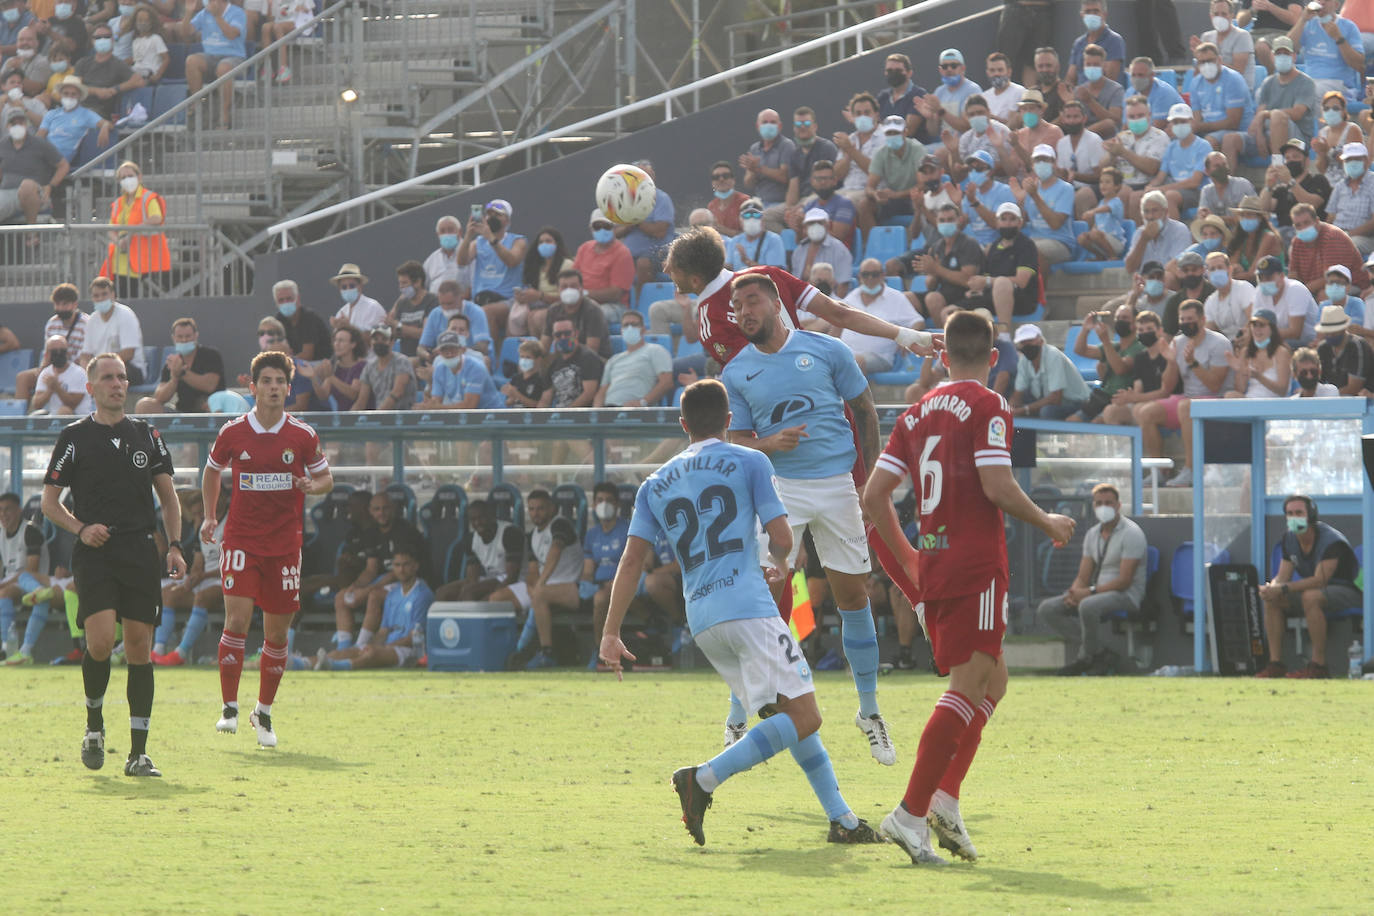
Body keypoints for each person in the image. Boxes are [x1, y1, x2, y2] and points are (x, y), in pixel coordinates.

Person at [600, 378, 882, 847]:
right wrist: (780, 564)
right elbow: (783, 535)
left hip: (704, 618)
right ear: (730, 421)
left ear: (683, 424)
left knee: (787, 713)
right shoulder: (751, 458)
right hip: (748, 607)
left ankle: (843, 821)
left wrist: (611, 632)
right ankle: (703, 779)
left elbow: (631, 562)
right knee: (807, 716)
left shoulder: (654, 482)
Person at [862, 309, 1076, 866]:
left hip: (934, 564)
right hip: (975, 564)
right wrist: (1049, 522)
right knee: (968, 685)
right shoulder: (989, 404)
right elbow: (997, 485)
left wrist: (910, 558)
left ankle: (945, 799)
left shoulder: (914, 413)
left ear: (941, 356)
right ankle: (910, 813)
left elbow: (873, 497)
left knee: (992, 682)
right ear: (994, 358)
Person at [720, 272, 897, 766]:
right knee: (763, 598)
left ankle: (869, 711)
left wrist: (871, 484)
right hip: (781, 491)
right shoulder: (736, 372)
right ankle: (738, 711)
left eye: (753, 300)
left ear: (778, 303)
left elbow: (866, 411)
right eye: (738, 307)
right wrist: (768, 444)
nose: (745, 312)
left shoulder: (826, 350)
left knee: (852, 596)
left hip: (839, 485)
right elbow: (734, 442)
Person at [42, 351, 185, 776]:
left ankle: (139, 753)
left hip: (141, 549)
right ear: (91, 388)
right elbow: (51, 503)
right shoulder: (73, 437)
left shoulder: (147, 434)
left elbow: (169, 497)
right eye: (107, 378)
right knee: (101, 641)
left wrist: (175, 545)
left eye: (122, 377)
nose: (117, 384)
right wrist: (82, 528)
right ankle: (94, 727)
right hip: (97, 552)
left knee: (140, 646)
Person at [201, 351, 332, 747]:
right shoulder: (233, 432)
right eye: (268, 381)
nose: (274, 387)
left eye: (281, 382)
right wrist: (210, 517)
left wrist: (313, 486)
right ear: (253, 386)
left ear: (288, 390)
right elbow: (211, 470)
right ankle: (229, 708)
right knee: (237, 621)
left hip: (284, 545)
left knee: (276, 634)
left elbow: (326, 478)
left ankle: (264, 712)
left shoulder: (302, 435)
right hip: (241, 539)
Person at [1037, 483, 1148, 674]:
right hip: (1096, 592)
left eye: (1108, 503)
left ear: (1118, 505)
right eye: (1099, 503)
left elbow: (1124, 580)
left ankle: (1086, 658)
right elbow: (1083, 575)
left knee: (1088, 605)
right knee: (1048, 608)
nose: (1104, 507)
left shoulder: (1132, 533)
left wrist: (1088, 593)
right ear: (1094, 506)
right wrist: (1074, 593)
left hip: (1126, 595)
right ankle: (1100, 653)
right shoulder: (1092, 534)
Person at [1255, 495, 1361, 678]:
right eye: (1289, 513)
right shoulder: (1289, 538)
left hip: (1348, 591)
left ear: (1311, 515)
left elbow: (1320, 580)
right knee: (1273, 599)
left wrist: (1284, 588)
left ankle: (1318, 665)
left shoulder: (1331, 540)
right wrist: (1272, 587)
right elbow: (1283, 575)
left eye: (1299, 513)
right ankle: (1275, 664)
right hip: (1315, 591)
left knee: (1311, 596)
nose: (1294, 517)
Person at [1135, 299, 1234, 486]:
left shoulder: (1220, 343)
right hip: (1188, 399)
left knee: (1185, 407)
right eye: (1182, 319)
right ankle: (1159, 471)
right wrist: (1171, 362)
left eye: (1190, 319)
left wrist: (1193, 363)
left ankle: (1191, 470)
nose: (1185, 323)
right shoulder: (1178, 343)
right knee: (1146, 412)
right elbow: (1169, 386)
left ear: (1203, 320)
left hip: (1217, 399)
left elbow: (1214, 385)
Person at [493, 488, 583, 670]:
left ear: (551, 508)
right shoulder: (532, 535)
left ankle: (545, 653)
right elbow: (533, 571)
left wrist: (539, 586)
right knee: (496, 599)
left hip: (572, 588)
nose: (536, 513)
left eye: (541, 508)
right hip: (545, 589)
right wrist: (532, 586)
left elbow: (555, 550)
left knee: (540, 595)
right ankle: (504, 649)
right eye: (532, 509)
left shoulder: (560, 524)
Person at [330, 492, 422, 651]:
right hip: (383, 581)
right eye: (377, 509)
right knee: (341, 597)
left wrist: (366, 590)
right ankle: (343, 647)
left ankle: (360, 647)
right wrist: (355, 586)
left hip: (407, 583)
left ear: (393, 509)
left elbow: (400, 571)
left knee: (374, 595)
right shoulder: (371, 533)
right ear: (370, 511)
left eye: (385, 508)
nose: (381, 513)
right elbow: (371, 569)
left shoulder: (405, 531)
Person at [314, 548, 431, 671]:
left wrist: (382, 647)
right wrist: (370, 645)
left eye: (406, 565)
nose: (401, 569)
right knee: (350, 652)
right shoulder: (393, 594)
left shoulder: (422, 594)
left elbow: (414, 638)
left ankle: (336, 666)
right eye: (397, 565)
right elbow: (383, 631)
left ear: (415, 566)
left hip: (409, 652)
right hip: (388, 648)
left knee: (372, 653)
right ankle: (300, 663)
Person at [963, 201, 1041, 335]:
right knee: (952, 310)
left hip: (1022, 300)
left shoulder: (1027, 245)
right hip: (993, 297)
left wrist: (987, 282)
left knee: (1001, 283)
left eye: (1012, 219)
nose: (1007, 223)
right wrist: (977, 288)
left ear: (1020, 223)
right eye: (1003, 219)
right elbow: (986, 277)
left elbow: (1021, 282)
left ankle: (1005, 335)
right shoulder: (993, 247)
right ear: (997, 222)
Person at [458, 198, 526, 341]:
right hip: (481, 299)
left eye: (497, 215)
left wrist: (491, 239)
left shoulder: (518, 241)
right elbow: (462, 261)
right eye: (489, 214)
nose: (491, 218)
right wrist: (468, 236)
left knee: (486, 313)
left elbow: (512, 261)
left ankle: (493, 360)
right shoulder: (478, 243)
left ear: (507, 221)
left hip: (508, 299)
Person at [840, 257, 923, 373]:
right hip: (847, 355)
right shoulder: (851, 298)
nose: (870, 278)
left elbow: (917, 321)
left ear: (883, 275)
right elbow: (837, 323)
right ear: (859, 276)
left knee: (854, 362)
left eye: (875, 274)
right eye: (865, 274)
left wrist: (908, 338)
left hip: (879, 357)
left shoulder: (896, 298)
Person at [433, 499, 524, 602]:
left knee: (470, 593)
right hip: (491, 578)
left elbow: (512, 577)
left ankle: (467, 617)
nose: (477, 523)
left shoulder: (510, 533)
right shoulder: (471, 540)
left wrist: (489, 595)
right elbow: (472, 578)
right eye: (473, 519)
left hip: (518, 582)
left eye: (481, 518)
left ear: (492, 516)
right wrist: (463, 593)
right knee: (442, 592)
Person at [1189, 41, 1257, 170]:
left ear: (1219, 60)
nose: (1206, 65)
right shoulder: (1195, 83)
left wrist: (1199, 127)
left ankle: (1225, 184)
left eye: (1210, 60)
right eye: (1202, 62)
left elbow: (1233, 123)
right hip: (1211, 131)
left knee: (1214, 140)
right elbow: (1197, 119)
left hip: (1241, 132)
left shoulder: (1233, 79)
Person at [134, 316, 223, 414]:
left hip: (210, 411)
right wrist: (174, 378)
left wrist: (182, 373)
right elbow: (159, 397)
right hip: (182, 412)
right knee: (144, 405)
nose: (184, 340)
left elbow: (210, 385)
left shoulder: (211, 355)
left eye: (188, 336)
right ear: (174, 338)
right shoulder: (172, 362)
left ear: (196, 336)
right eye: (180, 337)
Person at [1072, 305, 1144, 421]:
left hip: (1119, 400)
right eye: (1118, 318)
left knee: (1097, 423)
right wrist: (1085, 329)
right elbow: (1080, 350)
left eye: (1125, 318)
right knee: (1072, 421)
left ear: (1135, 323)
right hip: (1102, 399)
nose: (1120, 321)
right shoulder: (1114, 346)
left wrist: (1105, 341)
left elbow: (1120, 369)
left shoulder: (1139, 347)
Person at [16, 282, 85, 403]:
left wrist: (61, 371)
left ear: (75, 304)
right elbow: (47, 354)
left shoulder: (86, 324)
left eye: (65, 304)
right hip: (53, 367)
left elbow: (82, 359)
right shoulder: (51, 324)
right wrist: (43, 371)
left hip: (75, 370)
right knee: (23, 378)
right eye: (57, 304)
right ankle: (19, 419)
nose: (61, 308)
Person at [1015, 143, 1076, 278]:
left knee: (1030, 249)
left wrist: (1035, 196)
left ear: (1054, 163)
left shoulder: (1065, 189)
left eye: (1045, 160)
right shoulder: (1030, 187)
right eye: (1037, 160)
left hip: (1061, 242)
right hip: (1035, 239)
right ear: (1032, 164)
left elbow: (1055, 224)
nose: (1041, 163)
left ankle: (1039, 295)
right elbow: (1021, 223)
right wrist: (1019, 201)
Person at [1249, 37, 1318, 156]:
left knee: (1277, 116)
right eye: (1278, 53)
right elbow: (1259, 115)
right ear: (1272, 56)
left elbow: (1297, 113)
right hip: (1268, 133)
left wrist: (1266, 114)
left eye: (1286, 53)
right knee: (1231, 139)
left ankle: (1277, 165)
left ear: (1294, 56)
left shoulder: (1306, 83)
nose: (1282, 57)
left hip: (1298, 139)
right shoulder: (1268, 82)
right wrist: (1259, 135)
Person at [614, 158, 676, 291]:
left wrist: (636, 221)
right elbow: (615, 232)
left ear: (653, 176)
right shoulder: (624, 200)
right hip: (629, 254)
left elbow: (660, 232)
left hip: (660, 251)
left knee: (643, 263)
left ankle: (638, 302)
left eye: (647, 175)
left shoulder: (662, 199)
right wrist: (629, 225)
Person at [182, 0, 246, 126]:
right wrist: (188, 12)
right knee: (192, 61)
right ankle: (197, 104)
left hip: (234, 57)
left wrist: (217, 16)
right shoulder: (204, 13)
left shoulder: (237, 12)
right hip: (210, 57)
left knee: (223, 68)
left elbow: (232, 35)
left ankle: (224, 115)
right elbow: (185, 33)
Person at [1287, 203, 1370, 300]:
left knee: (1324, 296)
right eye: (1298, 225)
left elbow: (1331, 278)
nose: (1303, 228)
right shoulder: (1297, 241)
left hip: (1350, 285)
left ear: (1317, 221)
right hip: (1314, 287)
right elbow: (1293, 274)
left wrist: (1301, 291)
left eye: (1306, 223)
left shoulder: (1332, 237)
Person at [858, 115, 925, 233]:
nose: (892, 136)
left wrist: (897, 195)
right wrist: (875, 194)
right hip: (893, 199)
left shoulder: (917, 149)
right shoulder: (881, 153)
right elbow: (869, 187)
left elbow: (922, 185)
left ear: (905, 132)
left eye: (896, 132)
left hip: (915, 198)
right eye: (889, 133)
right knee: (865, 205)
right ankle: (872, 245)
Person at [1009, 324, 1091, 419]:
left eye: (1030, 341)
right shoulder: (1024, 360)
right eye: (1023, 342)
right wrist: (1011, 408)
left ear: (1041, 341)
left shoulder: (1053, 355)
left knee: (1047, 411)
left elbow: (1056, 398)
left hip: (1077, 403)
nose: (1027, 345)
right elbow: (1018, 393)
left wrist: (1024, 409)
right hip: (1050, 400)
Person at [1287, 0, 1363, 100]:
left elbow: (1358, 64)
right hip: (1311, 81)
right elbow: (1288, 47)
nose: (1321, 3)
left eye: (1326, 0)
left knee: (1310, 92)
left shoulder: (1349, 27)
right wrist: (1302, 20)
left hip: (1339, 83)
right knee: (1285, 92)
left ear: (1336, 5)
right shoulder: (1309, 24)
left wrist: (1339, 38)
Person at [593, 311, 671, 407]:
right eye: (626, 325)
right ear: (621, 331)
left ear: (643, 329)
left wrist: (643, 402)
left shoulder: (655, 350)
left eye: (634, 324)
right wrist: (596, 414)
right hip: (610, 410)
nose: (629, 328)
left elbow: (666, 382)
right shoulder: (613, 360)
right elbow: (602, 392)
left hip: (637, 412)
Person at [0, 106, 64, 223]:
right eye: (13, 123)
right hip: (6, 192)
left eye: (20, 122)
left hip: (34, 192)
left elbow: (63, 166)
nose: (17, 126)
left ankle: (31, 234)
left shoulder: (40, 143)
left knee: (27, 186)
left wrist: (50, 186)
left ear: (26, 124)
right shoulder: (2, 145)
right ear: (7, 126)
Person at [80, 276, 146, 386]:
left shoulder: (126, 315)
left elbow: (128, 353)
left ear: (113, 295)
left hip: (130, 369)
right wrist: (86, 372)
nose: (100, 298)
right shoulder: (92, 320)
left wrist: (100, 368)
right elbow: (85, 356)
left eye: (104, 294)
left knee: (105, 378)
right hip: (101, 369)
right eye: (96, 295)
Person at [510, 225, 571, 339]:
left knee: (538, 317)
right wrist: (524, 297)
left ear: (557, 244)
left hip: (561, 307)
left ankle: (545, 350)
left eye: (548, 241)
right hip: (537, 307)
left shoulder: (567, 265)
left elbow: (568, 298)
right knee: (523, 316)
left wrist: (540, 296)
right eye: (541, 242)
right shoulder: (537, 267)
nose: (544, 245)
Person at [73, 20, 142, 121]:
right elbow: (74, 87)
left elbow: (139, 81)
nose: (102, 40)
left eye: (106, 37)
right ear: (92, 41)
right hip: (77, 108)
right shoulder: (82, 63)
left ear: (112, 40)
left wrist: (115, 89)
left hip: (99, 113)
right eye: (98, 37)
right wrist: (96, 91)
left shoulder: (118, 64)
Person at [739, 108, 794, 230]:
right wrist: (752, 170)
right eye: (765, 122)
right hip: (760, 202)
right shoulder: (754, 149)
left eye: (773, 122)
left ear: (780, 126)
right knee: (744, 217)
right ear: (758, 126)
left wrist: (759, 168)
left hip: (781, 202)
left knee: (764, 218)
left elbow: (784, 177)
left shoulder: (786, 145)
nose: (768, 125)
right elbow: (748, 183)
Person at [572, 208, 635, 313]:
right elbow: (573, 278)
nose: (602, 230)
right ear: (591, 229)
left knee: (590, 314)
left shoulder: (622, 253)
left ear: (614, 228)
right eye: (597, 227)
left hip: (614, 306)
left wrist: (584, 294)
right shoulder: (584, 248)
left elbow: (616, 294)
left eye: (607, 226)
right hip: (582, 303)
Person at [421, 329, 502, 410]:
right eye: (445, 350)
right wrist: (428, 406)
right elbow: (436, 402)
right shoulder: (439, 369)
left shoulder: (476, 368)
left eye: (453, 349)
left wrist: (436, 407)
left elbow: (469, 406)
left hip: (492, 415)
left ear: (461, 349)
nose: (449, 354)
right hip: (466, 417)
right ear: (439, 352)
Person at [785, 159, 856, 248]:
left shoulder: (844, 204)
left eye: (826, 178)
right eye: (818, 179)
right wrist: (798, 228)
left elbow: (838, 238)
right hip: (811, 253)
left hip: (835, 255)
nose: (822, 182)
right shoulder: (810, 205)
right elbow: (800, 242)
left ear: (834, 180)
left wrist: (809, 223)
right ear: (812, 181)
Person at [1253, 253, 1320, 346]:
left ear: (1281, 276)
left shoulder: (1295, 289)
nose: (1264, 282)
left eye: (1268, 277)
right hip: (1276, 339)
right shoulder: (1259, 291)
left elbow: (1295, 333)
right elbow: (1256, 324)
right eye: (1260, 278)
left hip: (1307, 343)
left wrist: (1262, 334)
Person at [37, 75, 108, 162]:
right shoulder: (51, 114)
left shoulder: (86, 114)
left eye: (73, 94)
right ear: (61, 94)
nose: (69, 96)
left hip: (62, 159)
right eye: (66, 93)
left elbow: (106, 123)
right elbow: (39, 138)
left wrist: (105, 127)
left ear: (79, 96)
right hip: (44, 156)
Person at [1055, 101, 1108, 218]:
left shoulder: (1094, 140)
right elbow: (1062, 174)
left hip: (1093, 188)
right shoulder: (1061, 143)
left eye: (1075, 117)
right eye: (1068, 117)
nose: (1072, 121)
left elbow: (1099, 176)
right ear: (1063, 119)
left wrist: (1076, 176)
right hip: (1070, 187)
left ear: (1084, 119)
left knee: (1082, 196)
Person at [541, 268, 609, 358]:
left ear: (581, 288)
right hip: (565, 359)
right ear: (558, 290)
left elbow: (591, 351)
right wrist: (533, 349)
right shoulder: (553, 310)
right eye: (564, 287)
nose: (569, 290)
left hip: (594, 360)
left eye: (573, 286)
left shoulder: (592, 310)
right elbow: (544, 346)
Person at [915, 48, 982, 139]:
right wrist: (930, 118)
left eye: (953, 66)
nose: (949, 69)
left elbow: (968, 128)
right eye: (945, 66)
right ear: (940, 70)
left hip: (966, 143)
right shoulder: (939, 91)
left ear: (963, 68)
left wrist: (940, 111)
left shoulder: (973, 90)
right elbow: (933, 132)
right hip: (943, 144)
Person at [1225, 307, 1293, 396]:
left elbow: (1282, 391)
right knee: (1230, 395)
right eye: (1254, 325)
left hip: (1275, 405)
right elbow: (1240, 389)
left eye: (1262, 325)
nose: (1257, 329)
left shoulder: (1281, 352)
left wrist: (1259, 377)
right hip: (1251, 402)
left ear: (1272, 329)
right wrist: (1240, 371)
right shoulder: (1246, 352)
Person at [1124, 190, 1193, 277]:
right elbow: (1129, 269)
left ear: (1166, 212)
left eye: (1155, 211)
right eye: (1146, 212)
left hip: (1172, 284)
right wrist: (1143, 240)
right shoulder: (1140, 233)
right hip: (1145, 283)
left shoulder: (1179, 230)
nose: (1150, 216)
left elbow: (1178, 268)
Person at [418, 279, 490, 360]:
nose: (446, 308)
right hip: (443, 359)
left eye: (450, 303)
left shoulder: (476, 312)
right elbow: (421, 347)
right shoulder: (435, 313)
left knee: (485, 360)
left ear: (461, 298)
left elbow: (483, 347)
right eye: (442, 304)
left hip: (470, 358)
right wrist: (428, 355)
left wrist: (453, 352)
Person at [948, 94, 1014, 180]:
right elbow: (958, 179)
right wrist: (954, 152)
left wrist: (969, 168)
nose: (976, 117)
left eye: (980, 112)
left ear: (989, 112)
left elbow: (1008, 170)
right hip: (975, 188)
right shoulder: (965, 138)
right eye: (972, 114)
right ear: (967, 117)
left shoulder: (1002, 131)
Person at [833, 92, 883, 205]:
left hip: (869, 191)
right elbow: (837, 176)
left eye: (867, 112)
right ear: (853, 117)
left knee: (844, 203)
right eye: (858, 113)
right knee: (813, 203)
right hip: (846, 189)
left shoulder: (884, 137)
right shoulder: (850, 139)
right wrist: (847, 157)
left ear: (876, 114)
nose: (862, 117)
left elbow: (876, 172)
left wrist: (851, 150)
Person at [540, 317, 602, 409]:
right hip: (559, 417)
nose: (563, 337)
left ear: (576, 333)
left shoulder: (588, 357)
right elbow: (546, 398)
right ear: (553, 337)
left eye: (567, 333)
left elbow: (589, 393)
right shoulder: (554, 363)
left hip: (580, 417)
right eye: (558, 335)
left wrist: (567, 412)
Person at [959, 149, 1016, 247]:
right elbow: (960, 225)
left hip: (998, 244)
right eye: (970, 169)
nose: (973, 172)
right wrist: (957, 203)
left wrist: (974, 202)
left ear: (990, 172)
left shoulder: (1004, 191)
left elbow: (996, 224)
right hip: (974, 244)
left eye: (978, 169)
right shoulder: (970, 193)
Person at [1325, 143, 1374, 255]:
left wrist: (1347, 234)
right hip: (1338, 234)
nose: (1352, 163)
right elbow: (1330, 217)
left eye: (1356, 159)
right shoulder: (1340, 186)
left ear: (1366, 161)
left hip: (1365, 238)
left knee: (1346, 245)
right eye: (1348, 160)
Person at [353, 325, 416, 411]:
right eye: (375, 339)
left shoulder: (402, 361)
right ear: (371, 343)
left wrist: (379, 414)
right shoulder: (369, 367)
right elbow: (361, 401)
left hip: (403, 418)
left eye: (384, 339)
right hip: (381, 418)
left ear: (392, 342)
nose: (379, 342)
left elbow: (397, 392)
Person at [791, 207, 852, 293]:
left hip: (830, 300)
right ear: (805, 228)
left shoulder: (840, 250)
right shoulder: (799, 251)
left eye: (820, 223)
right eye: (811, 223)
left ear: (827, 226)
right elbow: (795, 283)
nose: (815, 226)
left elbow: (843, 286)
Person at [1316, 304, 1374, 394]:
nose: (1330, 335)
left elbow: (1354, 387)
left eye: (1334, 332)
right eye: (1327, 332)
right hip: (1334, 400)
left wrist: (1329, 396)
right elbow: (1318, 382)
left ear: (1343, 329)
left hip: (1360, 401)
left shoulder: (1357, 346)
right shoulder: (1322, 348)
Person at [305, 324, 365, 411]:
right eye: (335, 340)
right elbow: (323, 396)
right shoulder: (334, 366)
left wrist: (331, 377)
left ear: (353, 344)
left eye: (341, 341)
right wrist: (312, 377)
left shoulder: (361, 366)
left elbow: (353, 394)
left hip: (360, 419)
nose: (337, 344)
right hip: (340, 419)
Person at [1196, 0, 1256, 86]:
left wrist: (1212, 61)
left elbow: (1238, 71)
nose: (1220, 17)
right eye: (1216, 14)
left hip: (1237, 88)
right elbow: (1200, 73)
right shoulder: (1206, 37)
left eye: (1224, 14)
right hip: (1213, 88)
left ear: (1231, 15)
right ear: (1211, 16)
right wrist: (1198, 57)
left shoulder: (1242, 36)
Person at [386, 260, 437, 358]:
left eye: (404, 283)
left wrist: (400, 327)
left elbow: (425, 334)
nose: (401, 287)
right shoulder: (402, 303)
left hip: (424, 358)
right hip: (405, 357)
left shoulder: (432, 301)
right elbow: (394, 332)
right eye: (400, 283)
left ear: (418, 282)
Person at [1068, 0, 1127, 85]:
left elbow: (1111, 79)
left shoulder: (1114, 41)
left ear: (1104, 14)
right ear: (1082, 15)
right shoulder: (1078, 43)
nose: (1092, 15)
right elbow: (1070, 78)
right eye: (1087, 12)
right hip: (1079, 95)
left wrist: (1087, 96)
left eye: (1096, 11)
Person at [998, 0, 1054, 87]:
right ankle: (1003, 93)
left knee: (1033, 61)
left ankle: (1030, 97)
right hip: (1015, 10)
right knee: (1006, 59)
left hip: (1043, 11)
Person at [1009, 88, 1063, 177]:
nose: (1027, 112)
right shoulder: (1019, 134)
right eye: (1024, 109)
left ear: (1041, 110)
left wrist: (1017, 146)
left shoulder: (1053, 132)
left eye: (1031, 108)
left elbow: (1036, 164)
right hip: (1025, 184)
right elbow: (1013, 169)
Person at [1313, 91, 1364, 188]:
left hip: (1349, 183)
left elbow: (1354, 162)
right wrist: (1321, 154)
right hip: (1328, 184)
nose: (1330, 111)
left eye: (1335, 108)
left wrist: (1329, 151)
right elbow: (1322, 169)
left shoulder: (1352, 129)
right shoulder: (1322, 133)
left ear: (1344, 111)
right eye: (1326, 108)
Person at [271, 278, 330, 361]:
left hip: (318, 363)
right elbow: (274, 350)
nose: (285, 303)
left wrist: (286, 360)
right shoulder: (278, 321)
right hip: (293, 363)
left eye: (289, 299)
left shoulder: (309, 318)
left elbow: (307, 355)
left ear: (297, 298)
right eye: (281, 300)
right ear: (276, 303)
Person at [1229, 194, 1285, 280]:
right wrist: (1236, 269)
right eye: (1242, 215)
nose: (1245, 218)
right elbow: (1232, 267)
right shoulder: (1240, 238)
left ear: (1259, 218)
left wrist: (1234, 275)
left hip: (1274, 283)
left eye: (1249, 214)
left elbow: (1253, 273)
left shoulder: (1269, 237)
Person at [1202, 250, 1256, 340]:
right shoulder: (1210, 302)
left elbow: (1254, 320)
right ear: (1208, 275)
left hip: (1250, 340)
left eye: (1220, 267)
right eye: (1212, 269)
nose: (1216, 272)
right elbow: (1210, 333)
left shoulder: (1243, 288)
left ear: (1229, 270)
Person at [1073, 46, 1125, 139]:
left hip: (1107, 138)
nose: (1092, 68)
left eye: (1096, 65)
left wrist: (1090, 101)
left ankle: (1080, 138)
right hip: (1082, 136)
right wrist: (1068, 101)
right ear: (1083, 66)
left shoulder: (1116, 90)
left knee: (1108, 124)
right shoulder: (1078, 90)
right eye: (1088, 65)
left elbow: (1115, 122)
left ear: (1104, 66)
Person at [1079, 165, 1128, 259]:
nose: (1103, 185)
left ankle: (1113, 256)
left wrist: (1092, 212)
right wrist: (1090, 233)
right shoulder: (1101, 203)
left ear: (1117, 186)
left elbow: (1107, 208)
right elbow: (1097, 224)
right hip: (1101, 240)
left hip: (1116, 242)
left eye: (1107, 182)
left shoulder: (1116, 202)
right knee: (1082, 238)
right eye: (1101, 182)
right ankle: (1100, 256)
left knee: (1095, 234)